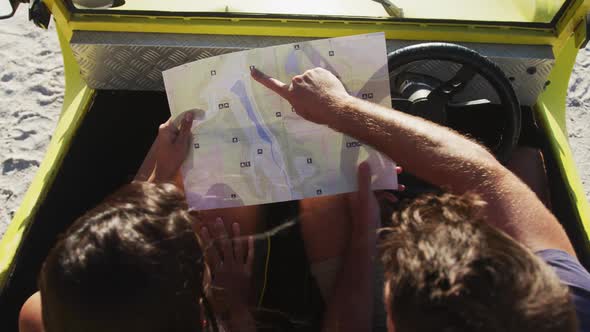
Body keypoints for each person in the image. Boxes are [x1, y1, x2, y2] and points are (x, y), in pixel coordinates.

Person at [251, 66, 590, 332]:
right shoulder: (568, 297)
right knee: (525, 154)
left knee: (324, 196)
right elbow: (485, 175)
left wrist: (365, 232)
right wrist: (339, 108)